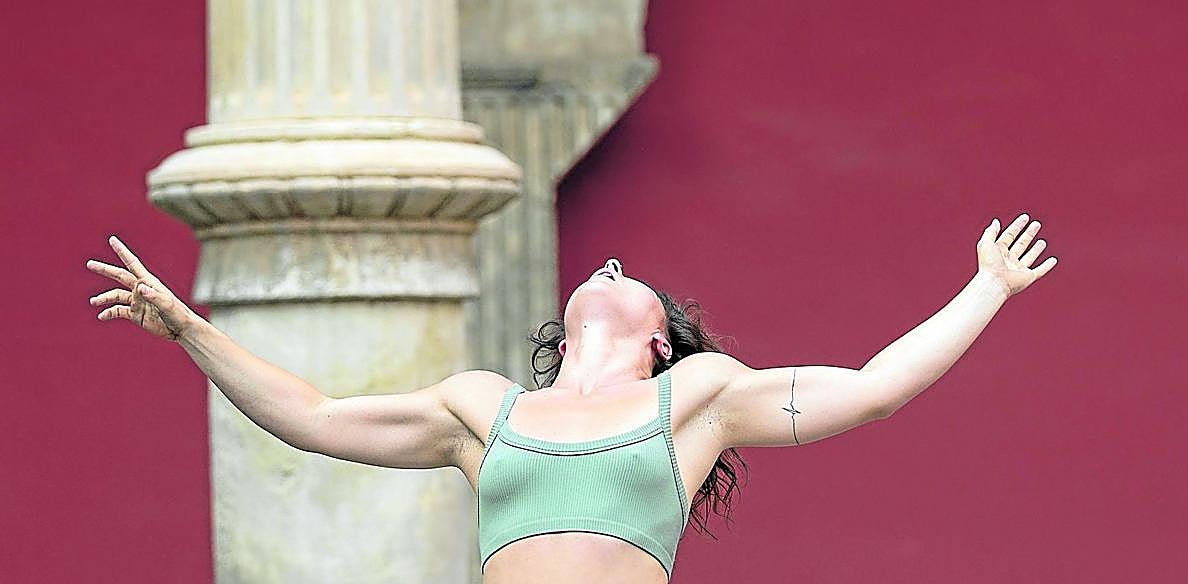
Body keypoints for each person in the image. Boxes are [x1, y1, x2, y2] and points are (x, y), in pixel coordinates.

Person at [86, 213, 1056, 583]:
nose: (610, 260)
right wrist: (190, 330)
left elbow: (875, 390)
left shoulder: (698, 399)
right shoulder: (483, 409)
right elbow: (318, 419)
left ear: (657, 339)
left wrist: (987, 288)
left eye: (632, 279)